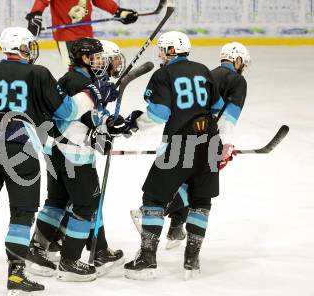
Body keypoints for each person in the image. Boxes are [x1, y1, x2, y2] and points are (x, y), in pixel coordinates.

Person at [0, 27, 116, 294]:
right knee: (22, 213)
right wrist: (93, 94)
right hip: (22, 149)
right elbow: (66, 110)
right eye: (29, 46)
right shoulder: (38, 73)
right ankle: (16, 275)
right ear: (22, 48)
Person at [121, 31, 224, 280]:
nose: (160, 55)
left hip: (179, 143)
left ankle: (147, 259)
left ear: (169, 51)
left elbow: (158, 114)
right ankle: (192, 260)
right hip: (210, 142)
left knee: (154, 198)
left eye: (162, 50)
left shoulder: (163, 74)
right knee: (201, 200)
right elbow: (218, 106)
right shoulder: (202, 69)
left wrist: (134, 123)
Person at [28, 37, 125, 282]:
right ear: (84, 59)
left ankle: (37, 248)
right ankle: (70, 260)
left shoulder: (78, 80)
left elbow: (86, 119)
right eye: (97, 57)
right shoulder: (78, 81)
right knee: (86, 206)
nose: (101, 61)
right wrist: (101, 127)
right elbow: (74, 118)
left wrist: (109, 125)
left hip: (60, 151)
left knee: (58, 201)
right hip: (73, 154)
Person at [160, 41, 251, 250]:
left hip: (186, 132)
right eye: (242, 63)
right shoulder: (237, 81)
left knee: (185, 177)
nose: (242, 67)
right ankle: (153, 211)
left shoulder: (207, 74)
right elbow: (228, 117)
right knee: (198, 186)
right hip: (209, 137)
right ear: (237, 60)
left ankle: (175, 227)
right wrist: (225, 146)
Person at [25, 0, 138, 67]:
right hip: (65, 36)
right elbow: (42, 1)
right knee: (74, 71)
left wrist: (117, 11)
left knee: (92, 67)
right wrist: (36, 13)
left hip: (86, 33)